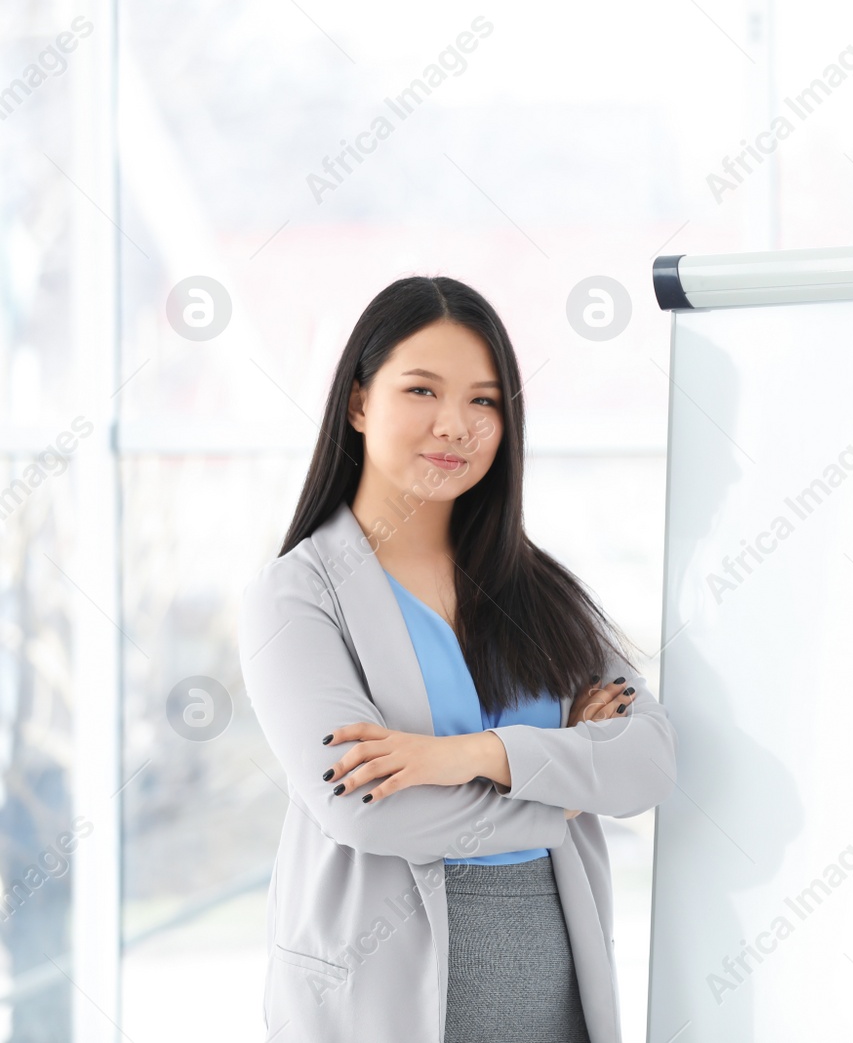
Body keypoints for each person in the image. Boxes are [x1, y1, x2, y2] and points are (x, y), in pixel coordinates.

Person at [237, 275, 676, 1043]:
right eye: (421, 390)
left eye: (484, 400)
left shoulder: (538, 591)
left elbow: (647, 761)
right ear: (359, 403)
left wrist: (465, 755)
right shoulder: (297, 595)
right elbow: (367, 810)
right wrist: (564, 791)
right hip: (382, 1013)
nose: (456, 424)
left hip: (557, 1016)